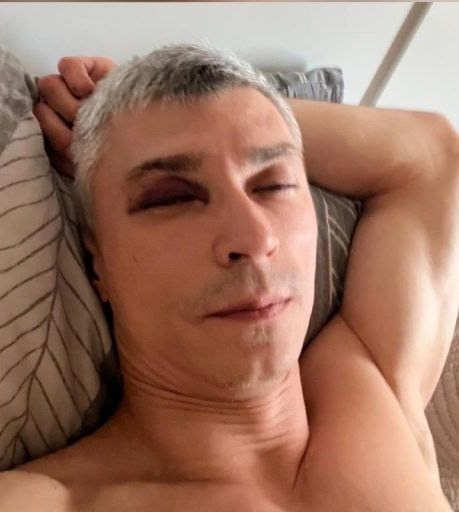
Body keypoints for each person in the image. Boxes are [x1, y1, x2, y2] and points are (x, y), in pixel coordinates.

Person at [1, 44, 458, 511]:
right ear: (96, 262)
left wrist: (132, 110)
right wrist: (113, 133)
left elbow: (433, 154)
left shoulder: (372, 387)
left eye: (274, 184)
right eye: (171, 198)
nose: (255, 237)